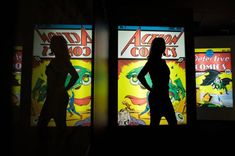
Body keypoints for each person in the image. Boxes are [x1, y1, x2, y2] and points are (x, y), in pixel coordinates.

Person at [37, 35, 79, 129]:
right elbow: (75, 76)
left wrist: (64, 88)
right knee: (59, 126)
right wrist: (64, 89)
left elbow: (75, 76)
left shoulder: (61, 61)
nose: (50, 46)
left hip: (56, 98)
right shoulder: (60, 61)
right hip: (55, 97)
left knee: (44, 125)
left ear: (57, 46)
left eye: (52, 44)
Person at [137, 37, 177, 126]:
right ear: (159, 47)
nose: (164, 47)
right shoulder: (154, 61)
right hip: (159, 96)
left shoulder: (157, 61)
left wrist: (151, 89)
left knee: (156, 123)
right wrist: (150, 89)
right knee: (168, 122)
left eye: (164, 45)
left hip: (161, 96)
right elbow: (140, 76)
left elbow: (140, 76)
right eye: (162, 45)